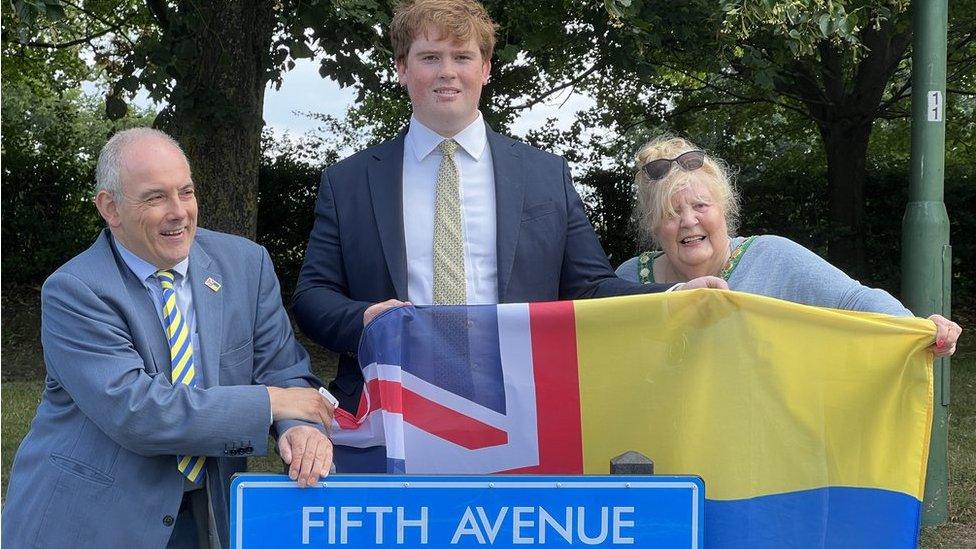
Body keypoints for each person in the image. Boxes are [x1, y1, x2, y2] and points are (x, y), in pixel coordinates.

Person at [292, 0, 726, 425]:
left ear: (485, 68)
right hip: (388, 412)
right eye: (430, 57)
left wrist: (674, 300)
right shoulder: (348, 182)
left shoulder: (545, 175)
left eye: (462, 56)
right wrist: (365, 321)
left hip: (524, 419)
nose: (447, 71)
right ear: (402, 68)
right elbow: (313, 296)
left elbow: (591, 289)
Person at [2, 128, 335, 549]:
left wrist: (297, 428)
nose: (178, 211)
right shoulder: (75, 290)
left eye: (186, 191)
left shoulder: (246, 265)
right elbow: (137, 411)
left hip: (208, 512)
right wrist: (271, 402)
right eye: (155, 197)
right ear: (111, 208)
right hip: (94, 519)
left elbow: (283, 369)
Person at [616, 135, 961, 357]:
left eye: (701, 206)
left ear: (725, 208)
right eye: (671, 212)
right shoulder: (628, 278)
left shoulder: (773, 257)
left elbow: (853, 300)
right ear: (652, 224)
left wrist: (917, 327)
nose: (689, 221)